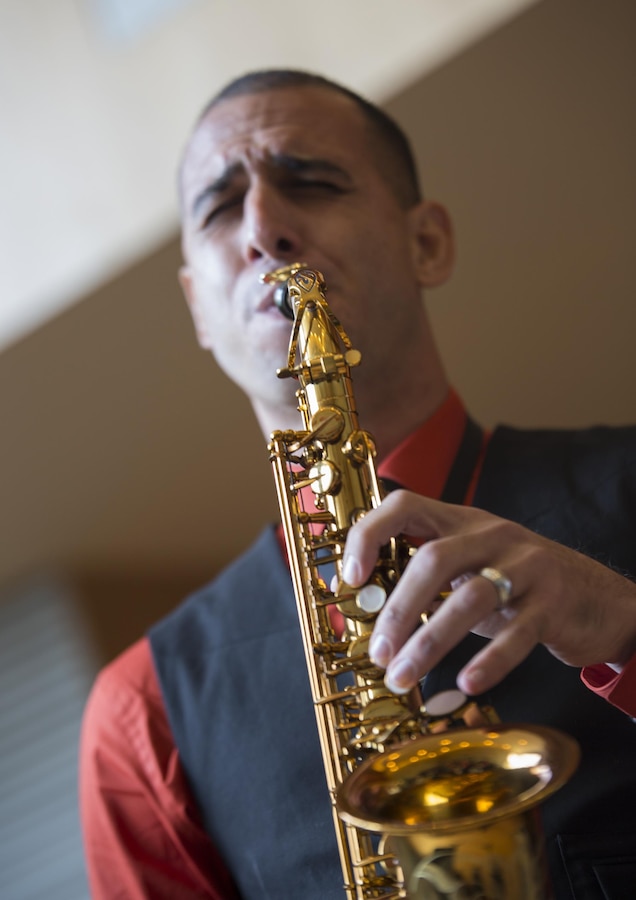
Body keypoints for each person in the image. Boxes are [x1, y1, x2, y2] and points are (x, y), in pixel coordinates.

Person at [80, 70, 636, 899]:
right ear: (199, 307)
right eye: (220, 207)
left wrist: (619, 624)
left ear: (428, 244)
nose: (264, 227)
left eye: (311, 180)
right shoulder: (142, 709)